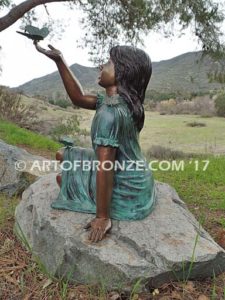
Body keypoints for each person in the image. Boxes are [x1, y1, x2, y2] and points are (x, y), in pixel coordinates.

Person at [34, 42, 157, 243]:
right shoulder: (124, 102)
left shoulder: (110, 115)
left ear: (123, 72)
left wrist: (102, 216)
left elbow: (105, 167)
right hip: (138, 176)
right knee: (62, 155)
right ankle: (76, 183)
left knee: (62, 180)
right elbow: (79, 98)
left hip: (127, 186)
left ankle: (85, 193)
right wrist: (60, 60)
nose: (102, 66)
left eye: (109, 63)